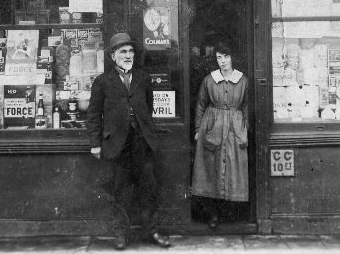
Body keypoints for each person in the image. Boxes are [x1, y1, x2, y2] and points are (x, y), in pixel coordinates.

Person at [87, 32, 171, 250]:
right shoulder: (103, 82)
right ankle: (121, 234)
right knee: (120, 189)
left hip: (142, 142)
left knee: (149, 187)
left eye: (131, 51)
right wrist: (95, 143)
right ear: (113, 56)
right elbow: (94, 115)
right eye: (123, 51)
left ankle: (151, 231)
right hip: (117, 144)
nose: (128, 55)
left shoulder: (143, 78)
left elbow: (148, 106)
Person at [191, 42, 249, 228]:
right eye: (219, 57)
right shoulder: (209, 80)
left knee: (233, 168)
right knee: (211, 169)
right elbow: (200, 105)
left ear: (232, 58)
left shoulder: (243, 80)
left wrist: (245, 130)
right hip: (213, 126)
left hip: (235, 128)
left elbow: (247, 107)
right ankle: (212, 214)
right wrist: (198, 130)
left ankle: (230, 214)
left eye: (226, 57)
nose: (223, 61)